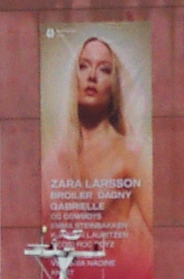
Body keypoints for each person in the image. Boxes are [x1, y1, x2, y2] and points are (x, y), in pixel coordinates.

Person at [46, 31, 153, 261]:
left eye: (104, 69)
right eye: (83, 66)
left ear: (114, 85)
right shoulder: (56, 156)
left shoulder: (130, 152)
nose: (91, 76)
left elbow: (162, 232)